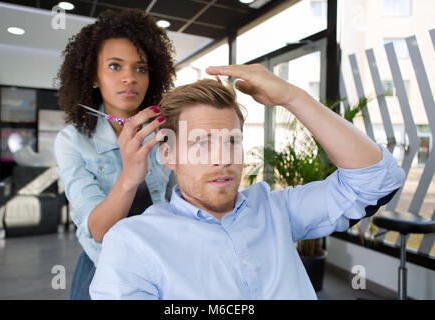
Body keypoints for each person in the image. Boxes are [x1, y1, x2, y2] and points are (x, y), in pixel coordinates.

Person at [89, 64, 406, 299]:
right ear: (167, 155)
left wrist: (293, 97)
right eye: (202, 143)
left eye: (232, 141)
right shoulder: (133, 242)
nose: (223, 158)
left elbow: (377, 179)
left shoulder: (276, 209)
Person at [54, 8, 176, 300]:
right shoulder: (72, 141)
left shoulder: (163, 132)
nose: (129, 78)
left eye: (140, 68)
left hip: (162, 263)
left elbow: (178, 201)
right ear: (93, 77)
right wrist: (130, 176)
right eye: (114, 66)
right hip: (103, 267)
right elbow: (97, 230)